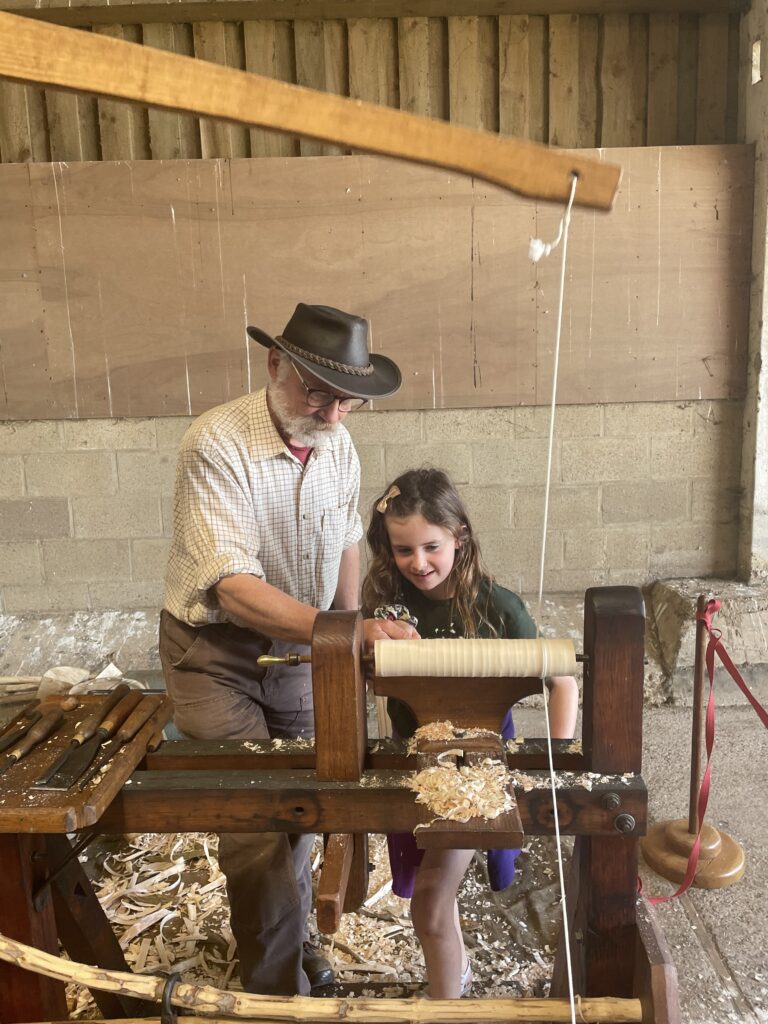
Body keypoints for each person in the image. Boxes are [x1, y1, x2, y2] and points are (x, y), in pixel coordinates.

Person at [159, 303, 417, 996]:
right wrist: (341, 634)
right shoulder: (215, 444)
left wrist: (353, 643)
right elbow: (235, 590)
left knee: (306, 800)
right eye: (317, 393)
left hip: (303, 649)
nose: (332, 416)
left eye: (349, 402)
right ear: (275, 364)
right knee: (257, 818)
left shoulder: (338, 445)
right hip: (216, 654)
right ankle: (277, 995)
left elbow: (341, 552)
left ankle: (292, 936)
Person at [361, 468, 578, 999]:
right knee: (431, 881)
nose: (418, 563)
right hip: (412, 758)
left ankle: (446, 1002)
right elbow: (358, 662)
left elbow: (563, 680)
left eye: (432, 547)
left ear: (460, 536)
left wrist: (549, 761)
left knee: (430, 904)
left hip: (475, 767)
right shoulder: (388, 600)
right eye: (403, 549)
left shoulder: (498, 608)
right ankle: (455, 973)